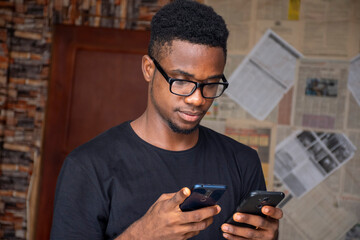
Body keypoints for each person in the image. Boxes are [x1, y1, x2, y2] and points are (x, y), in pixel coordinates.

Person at [50, 1, 283, 239]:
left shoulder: (243, 163)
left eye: (210, 84)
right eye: (181, 80)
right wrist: (141, 234)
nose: (196, 99)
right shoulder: (88, 167)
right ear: (149, 69)